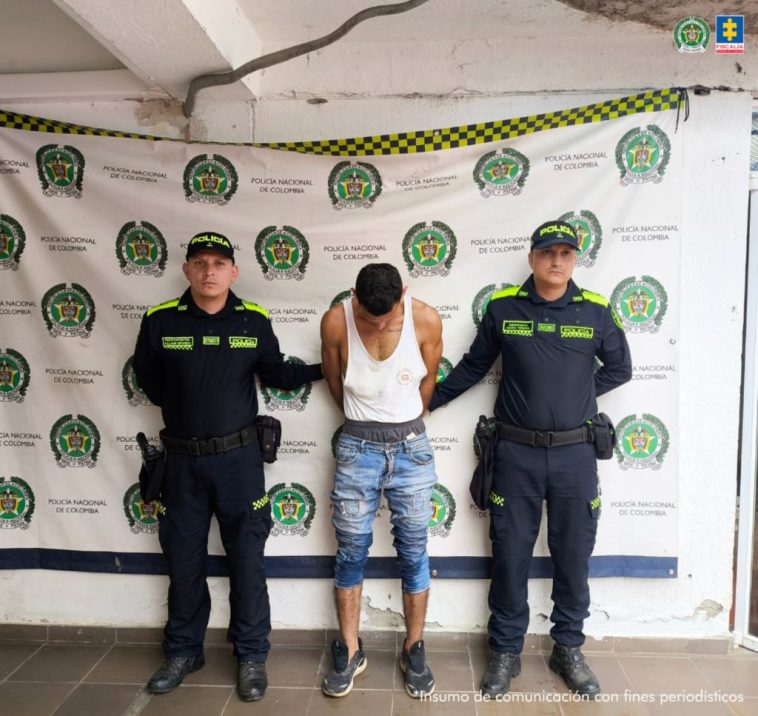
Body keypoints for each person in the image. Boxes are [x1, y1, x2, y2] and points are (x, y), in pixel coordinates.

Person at [430, 220, 632, 699]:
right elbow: (475, 365)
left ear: (575, 260)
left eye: (566, 253)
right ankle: (504, 650)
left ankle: (568, 648)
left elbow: (620, 369)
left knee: (572, 555)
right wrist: (428, 401)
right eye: (548, 252)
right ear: (532, 258)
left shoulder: (597, 311)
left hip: (575, 457)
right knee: (511, 555)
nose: (556, 261)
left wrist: (581, 396)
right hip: (515, 454)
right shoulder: (503, 308)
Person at [133, 230, 321, 702]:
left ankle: (252, 654)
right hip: (180, 464)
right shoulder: (159, 321)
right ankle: (183, 651)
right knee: (184, 561)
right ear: (187, 270)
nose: (210, 271)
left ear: (234, 271)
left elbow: (277, 373)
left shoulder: (253, 320)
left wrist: (329, 368)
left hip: (239, 463)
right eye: (201, 262)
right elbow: (149, 380)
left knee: (247, 561)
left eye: (219, 263)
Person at [319, 263, 443, 699]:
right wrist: (364, 424)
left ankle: (414, 646)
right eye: (369, 318)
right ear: (354, 296)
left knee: (414, 550)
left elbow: (426, 385)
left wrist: (400, 420)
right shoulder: (336, 320)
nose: (378, 325)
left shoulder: (425, 318)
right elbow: (334, 383)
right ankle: (350, 649)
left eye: (387, 317)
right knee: (351, 550)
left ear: (403, 295)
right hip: (357, 446)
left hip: (411, 446)